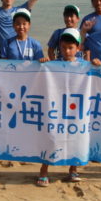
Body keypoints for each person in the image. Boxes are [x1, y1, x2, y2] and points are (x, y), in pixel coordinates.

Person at [37, 28, 87, 185]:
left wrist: (97, 64)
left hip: (75, 109)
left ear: (78, 48)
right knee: (51, 138)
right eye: (64, 47)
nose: (67, 51)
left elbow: (98, 76)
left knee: (76, 138)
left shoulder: (84, 65)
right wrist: (43, 63)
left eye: (71, 47)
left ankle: (73, 171)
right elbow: (41, 76)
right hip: (56, 108)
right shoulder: (53, 64)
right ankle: (43, 171)